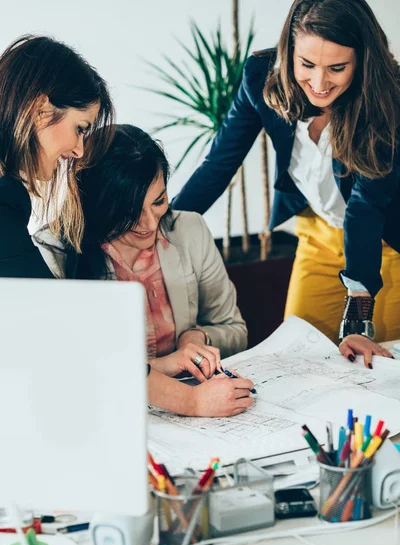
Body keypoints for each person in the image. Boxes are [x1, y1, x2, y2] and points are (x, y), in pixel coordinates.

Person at [172, 0, 400, 362]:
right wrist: (162, 225)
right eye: (306, 64)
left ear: (362, 62)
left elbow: (366, 207)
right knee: (297, 356)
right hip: (317, 233)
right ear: (289, 49)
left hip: (386, 244)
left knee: (371, 364)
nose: (319, 83)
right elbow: (220, 163)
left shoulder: (389, 100)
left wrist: (358, 320)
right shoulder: (260, 76)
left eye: (337, 68)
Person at [34, 124, 254, 417]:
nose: (150, 225)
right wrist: (167, 369)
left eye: (159, 202)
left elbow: (235, 329)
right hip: (104, 414)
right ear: (96, 206)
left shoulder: (189, 230)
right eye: (129, 214)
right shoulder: (55, 252)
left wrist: (197, 337)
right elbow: (68, 368)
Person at [0, 34, 115, 278]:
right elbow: (41, 308)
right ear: (40, 110)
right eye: (80, 129)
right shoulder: (5, 198)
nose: (79, 151)